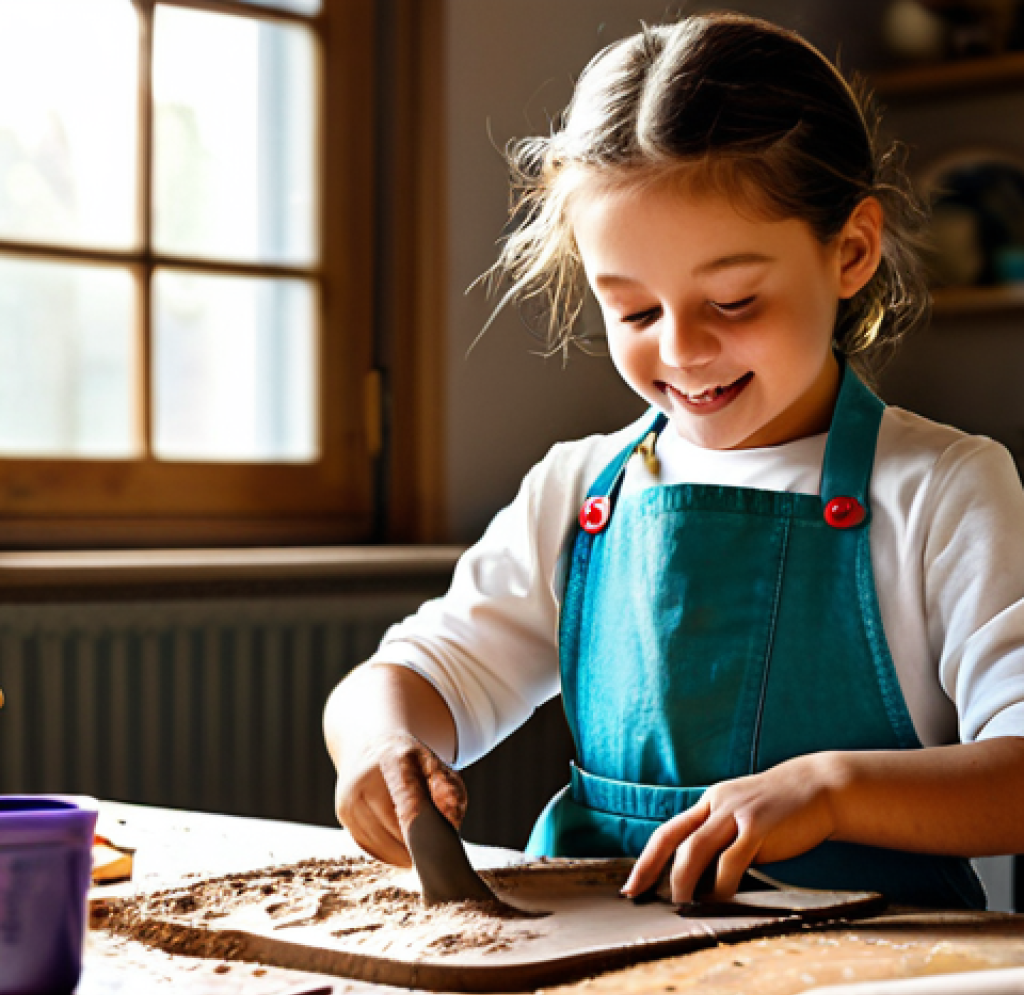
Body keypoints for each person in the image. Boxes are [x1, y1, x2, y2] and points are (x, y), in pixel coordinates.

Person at [323, 12, 1024, 910]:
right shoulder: (579, 492)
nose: (684, 349)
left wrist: (831, 791)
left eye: (733, 300)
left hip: (866, 980)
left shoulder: (945, 489)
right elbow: (407, 676)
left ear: (850, 251)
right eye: (634, 311)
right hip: (606, 970)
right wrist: (381, 742)